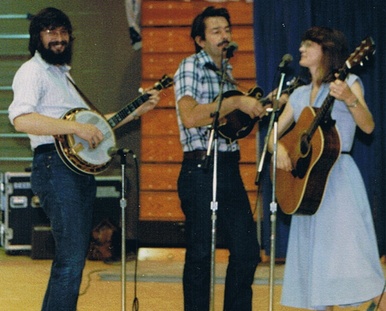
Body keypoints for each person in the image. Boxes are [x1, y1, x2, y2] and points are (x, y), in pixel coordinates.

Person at [8, 7, 159, 310]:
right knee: (73, 256)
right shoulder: (32, 72)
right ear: (37, 37)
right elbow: (21, 119)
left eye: (63, 32)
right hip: (54, 168)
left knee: (71, 256)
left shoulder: (64, 78)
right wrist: (76, 126)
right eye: (51, 32)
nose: (59, 39)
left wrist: (134, 111)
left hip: (75, 172)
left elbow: (93, 128)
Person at [268, 26, 386, 310]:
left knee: (344, 257)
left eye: (308, 44)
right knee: (315, 262)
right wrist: (279, 149)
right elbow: (273, 136)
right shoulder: (298, 95)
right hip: (306, 185)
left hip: (338, 180)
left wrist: (349, 98)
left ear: (326, 50)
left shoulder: (350, 82)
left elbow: (368, 126)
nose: (301, 50)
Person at [173, 6, 265, 311]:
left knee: (246, 248)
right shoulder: (191, 67)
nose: (225, 36)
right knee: (201, 253)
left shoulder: (225, 71)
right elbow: (190, 116)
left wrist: (262, 105)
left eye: (227, 29)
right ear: (200, 40)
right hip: (200, 167)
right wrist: (236, 100)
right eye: (216, 31)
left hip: (228, 166)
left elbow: (230, 124)